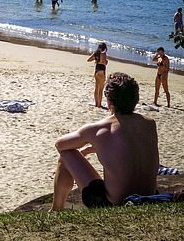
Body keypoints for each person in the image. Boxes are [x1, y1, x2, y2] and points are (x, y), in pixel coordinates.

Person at [51, 73, 158, 210]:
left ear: (108, 101)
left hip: (113, 204)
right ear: (136, 99)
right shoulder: (149, 124)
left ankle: (56, 209)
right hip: (149, 197)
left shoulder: (101, 129)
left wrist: (90, 142)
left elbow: (60, 144)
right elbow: (128, 146)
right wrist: (92, 148)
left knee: (65, 155)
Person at [87, 43, 108, 108]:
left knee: (96, 88)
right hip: (102, 71)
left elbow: (89, 60)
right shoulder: (103, 54)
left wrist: (96, 60)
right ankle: (99, 104)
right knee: (101, 89)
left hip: (96, 70)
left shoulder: (96, 53)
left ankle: (96, 103)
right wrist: (106, 61)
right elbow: (104, 63)